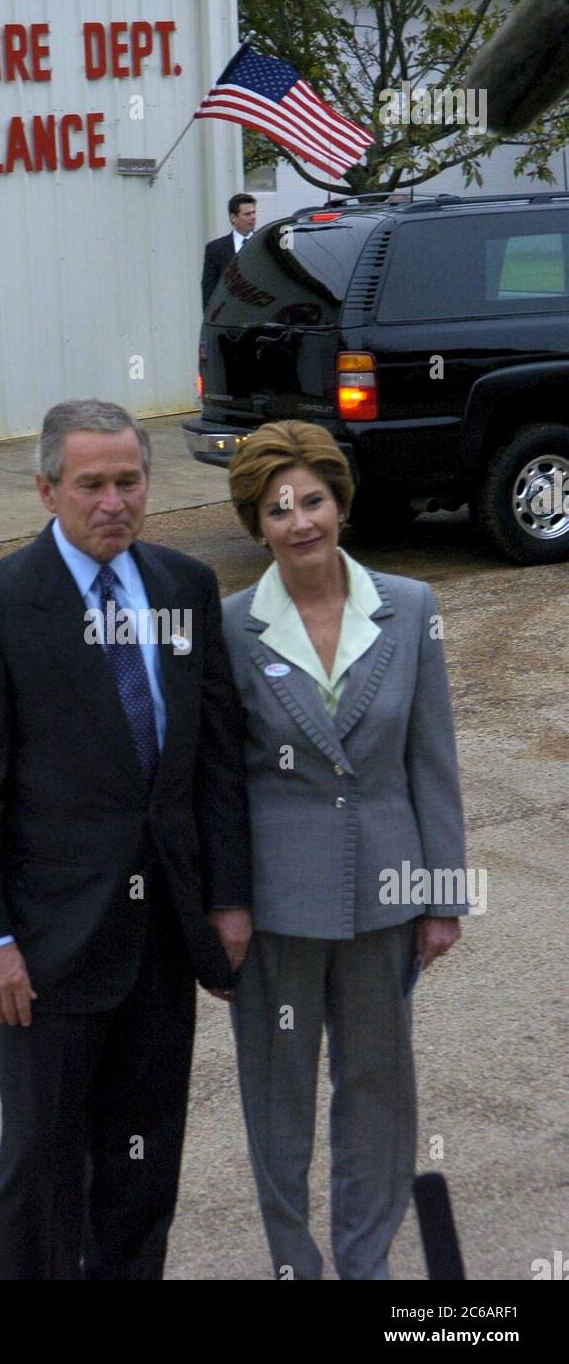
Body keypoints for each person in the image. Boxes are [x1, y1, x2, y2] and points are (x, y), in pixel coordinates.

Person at [0, 398, 252, 1280]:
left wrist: (224, 898)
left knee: (143, 1156)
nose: (113, 501)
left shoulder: (184, 586)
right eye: (91, 484)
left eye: (128, 481)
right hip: (47, 947)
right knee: (40, 1161)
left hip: (160, 939)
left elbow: (214, 760)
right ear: (46, 490)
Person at [221, 421, 467, 1281]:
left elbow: (430, 758)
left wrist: (443, 894)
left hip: (384, 899)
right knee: (276, 1104)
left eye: (312, 500)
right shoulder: (229, 628)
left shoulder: (410, 607)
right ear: (256, 523)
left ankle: (367, 1268)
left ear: (340, 503)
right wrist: (223, 901)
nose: (299, 523)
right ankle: (297, 1265)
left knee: (376, 1097)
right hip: (276, 910)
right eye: (276, 508)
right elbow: (216, 781)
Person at [201, 194, 257, 310]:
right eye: (247, 214)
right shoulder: (216, 249)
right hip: (230, 318)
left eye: (254, 213)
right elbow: (209, 290)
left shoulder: (264, 245)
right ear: (233, 218)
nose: (253, 217)